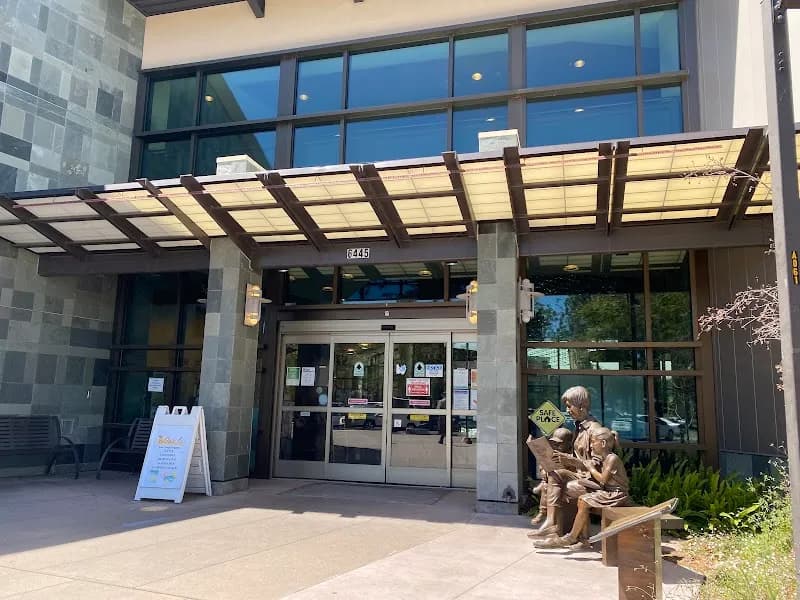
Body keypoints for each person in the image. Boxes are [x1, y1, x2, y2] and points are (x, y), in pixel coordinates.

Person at [533, 427, 629, 549]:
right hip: (605, 488)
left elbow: (603, 480)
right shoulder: (604, 456)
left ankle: (573, 537)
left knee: (583, 500)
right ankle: (556, 526)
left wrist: (590, 468)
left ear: (603, 443)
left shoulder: (612, 458)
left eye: (593, 442)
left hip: (615, 494)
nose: (592, 445)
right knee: (560, 476)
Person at [529, 386, 602, 538]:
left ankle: (552, 524)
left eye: (569, 406)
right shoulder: (579, 428)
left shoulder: (594, 430)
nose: (568, 410)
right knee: (551, 472)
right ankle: (551, 524)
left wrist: (571, 461)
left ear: (581, 405)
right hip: (580, 475)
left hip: (591, 480)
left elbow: (597, 465)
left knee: (557, 476)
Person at [530, 427, 574, 526]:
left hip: (565, 480)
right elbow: (543, 464)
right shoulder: (553, 452)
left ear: (568, 443)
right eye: (554, 443)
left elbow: (572, 471)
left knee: (547, 486)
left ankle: (543, 512)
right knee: (547, 483)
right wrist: (543, 470)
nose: (556, 445)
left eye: (560, 443)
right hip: (553, 478)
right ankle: (542, 512)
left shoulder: (572, 455)